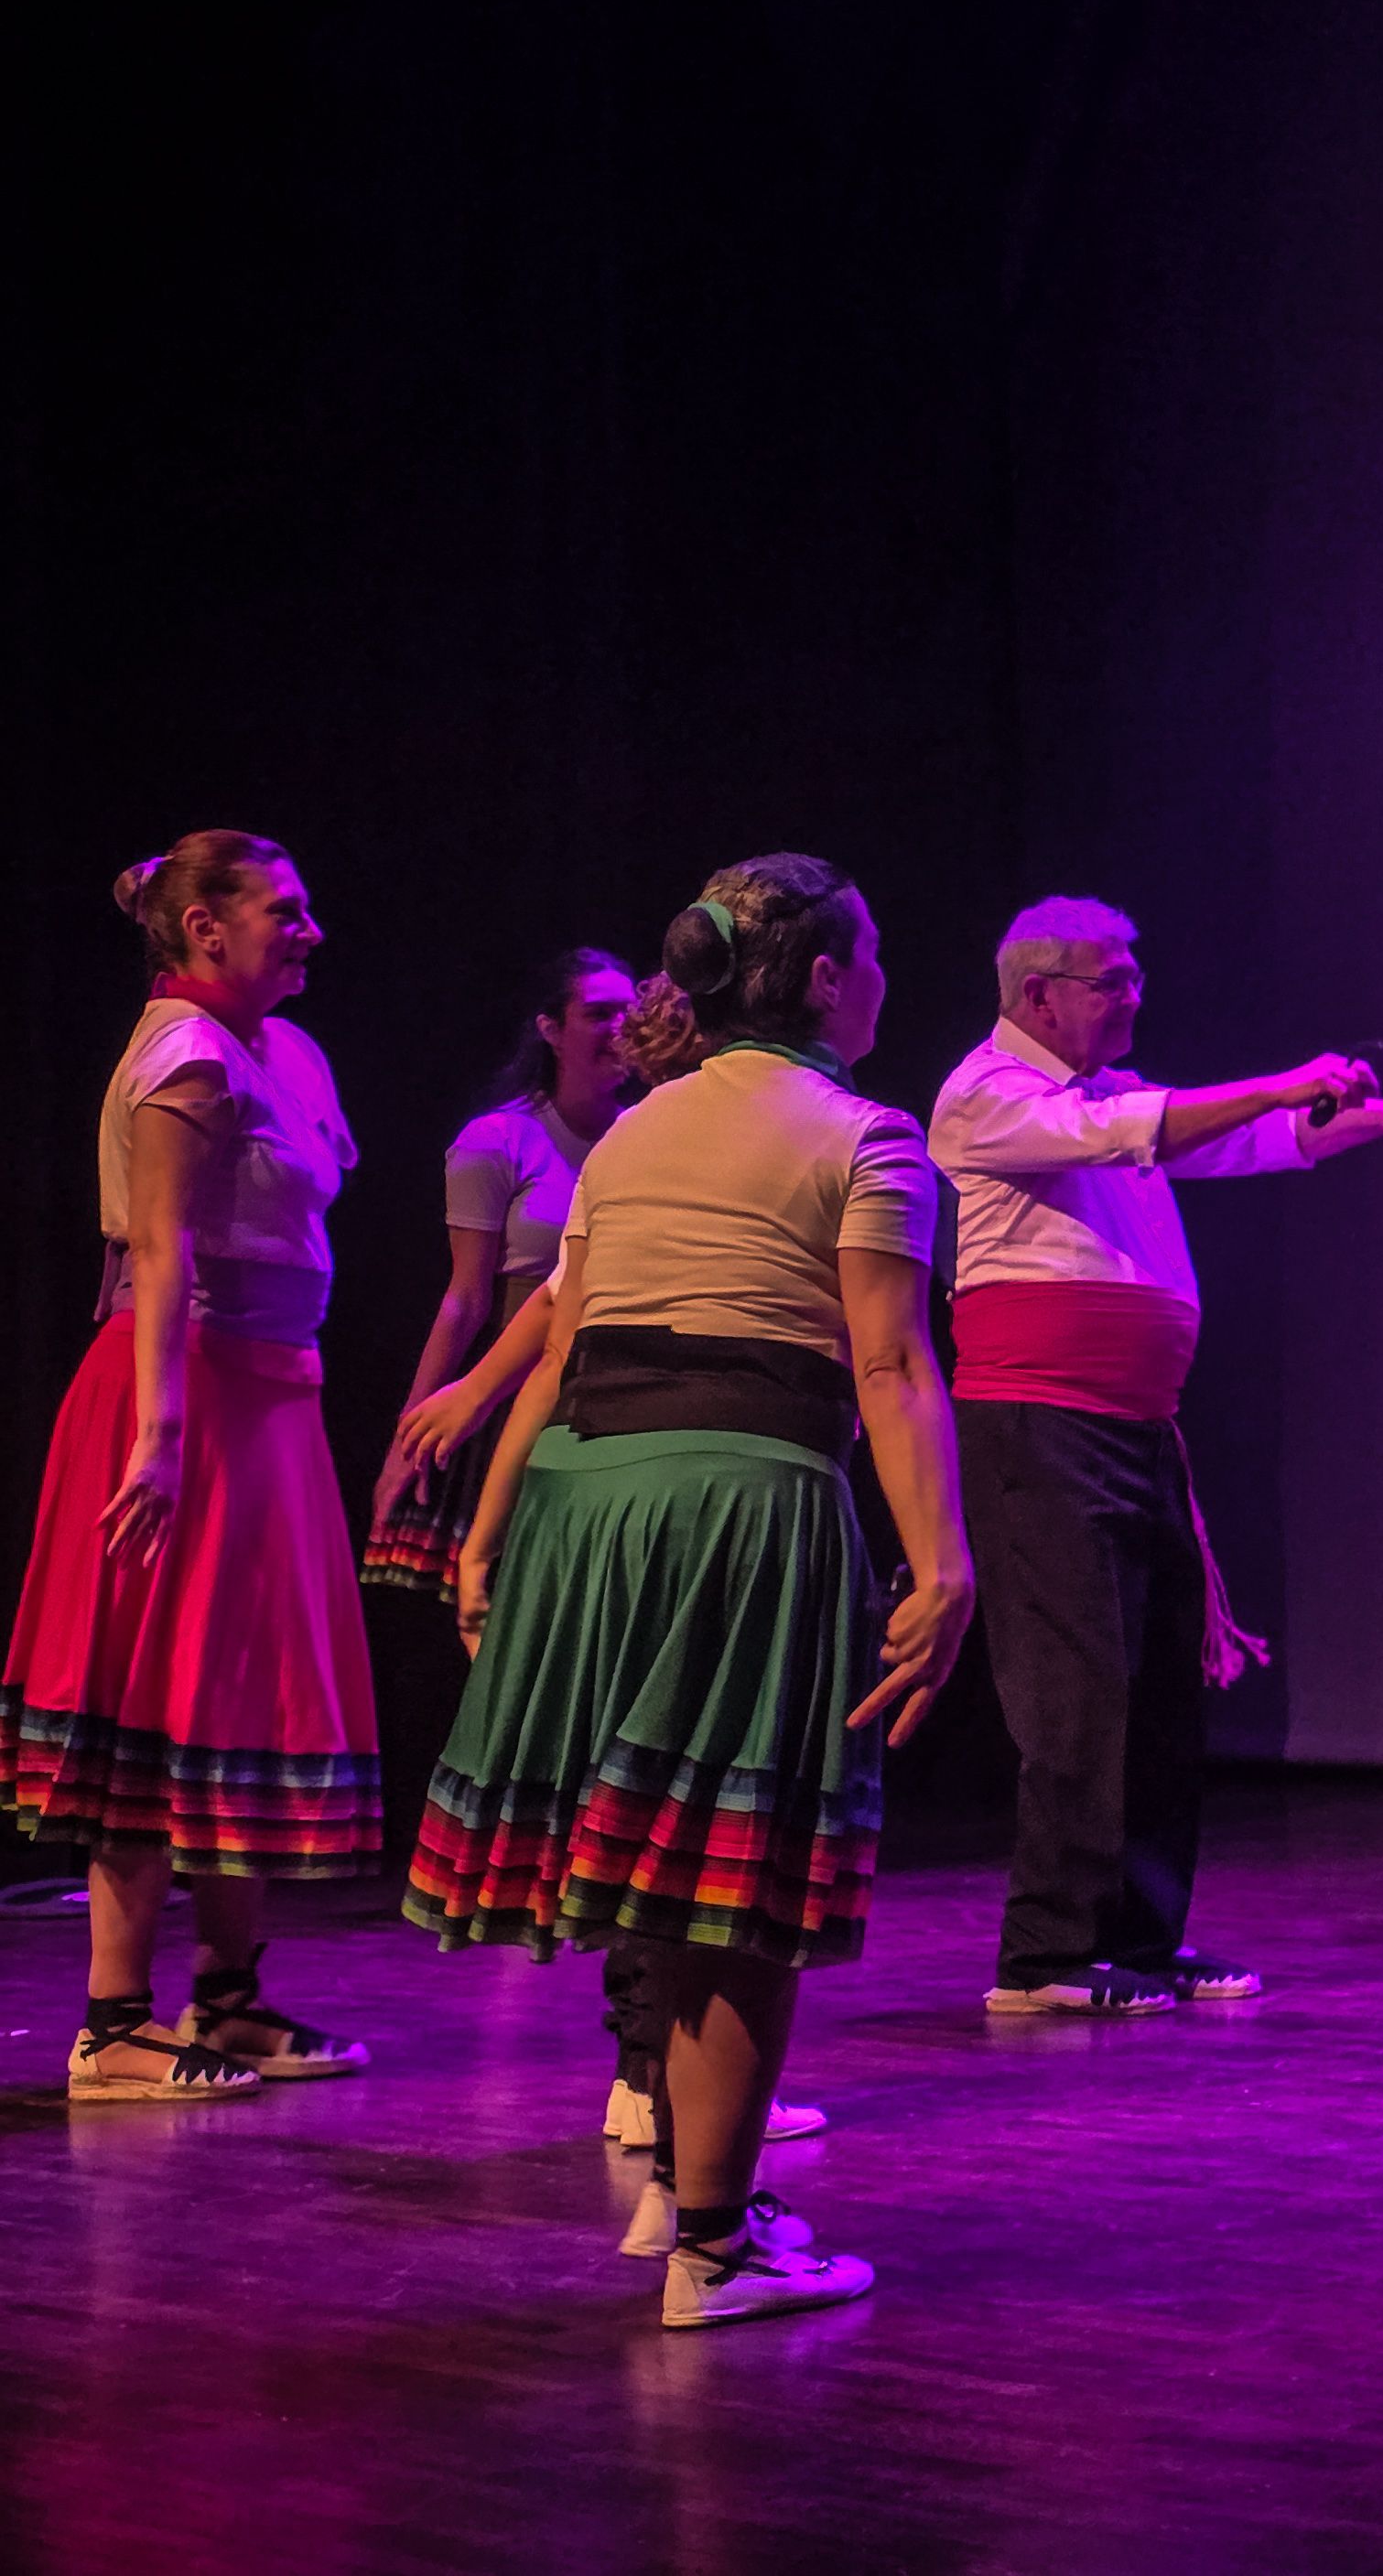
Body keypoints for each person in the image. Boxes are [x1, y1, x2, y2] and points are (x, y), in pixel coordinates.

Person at [407, 853, 972, 2331]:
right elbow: (892, 1365)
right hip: (738, 1498)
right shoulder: (867, 1133)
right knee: (738, 1876)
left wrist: (487, 1535)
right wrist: (944, 1559)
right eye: (877, 959)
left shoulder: (632, 1131)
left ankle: (677, 2177)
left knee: (658, 1861)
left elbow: (565, 1333)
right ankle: (716, 2246)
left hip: (592, 1500)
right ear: (833, 979)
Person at [934, 895, 1383, 2017]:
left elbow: (1239, 1142)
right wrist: (1280, 1079)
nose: (1133, 994)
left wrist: (1375, 1116)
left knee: (1161, 1682)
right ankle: (1050, 1955)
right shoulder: (985, 1095)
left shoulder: (1114, 1097)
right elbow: (1149, 1132)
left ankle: (1141, 1934)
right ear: (1037, 995)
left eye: (1134, 972)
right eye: (1110, 978)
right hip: (1040, 1427)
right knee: (1076, 1688)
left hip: (1130, 1426)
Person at [5, 833, 378, 2100]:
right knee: (156, 1696)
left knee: (239, 1696)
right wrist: (158, 1443)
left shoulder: (283, 1047)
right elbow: (159, 1255)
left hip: (269, 1399)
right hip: (183, 1397)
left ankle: (228, 2003)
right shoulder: (185, 1053)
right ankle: (113, 2024)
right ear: (204, 930)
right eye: (287, 909)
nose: (311, 928)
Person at [362, 950, 637, 1601]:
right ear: (550, 1029)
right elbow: (464, 1299)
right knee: (494, 1596)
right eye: (598, 1013)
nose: (619, 1026)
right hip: (515, 1382)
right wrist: (410, 1434)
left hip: (608, 1387)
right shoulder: (500, 1140)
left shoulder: (646, 1137)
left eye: (629, 1011)